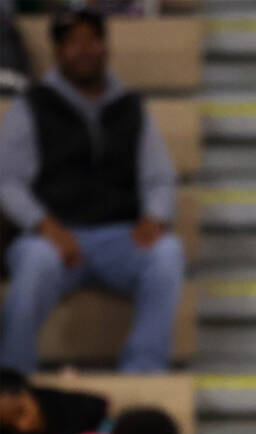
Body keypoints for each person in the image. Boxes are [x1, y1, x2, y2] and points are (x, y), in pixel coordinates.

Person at [0, 8, 184, 374]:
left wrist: (155, 217)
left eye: (92, 40)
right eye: (73, 42)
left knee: (167, 253)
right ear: (58, 52)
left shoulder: (131, 107)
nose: (84, 50)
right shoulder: (32, 106)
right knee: (35, 261)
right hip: (52, 238)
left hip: (119, 237)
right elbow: (8, 180)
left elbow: (160, 177)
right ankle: (13, 375)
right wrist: (44, 225)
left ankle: (144, 371)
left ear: (105, 47)